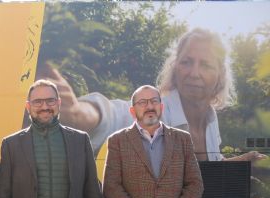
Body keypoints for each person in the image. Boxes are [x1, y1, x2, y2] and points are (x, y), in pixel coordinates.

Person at [42, 28, 267, 162]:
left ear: (220, 75)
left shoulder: (210, 118)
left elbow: (209, 166)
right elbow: (115, 115)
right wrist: (80, 113)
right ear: (176, 68)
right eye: (186, 62)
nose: (194, 73)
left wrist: (241, 162)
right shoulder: (155, 108)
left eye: (205, 65)